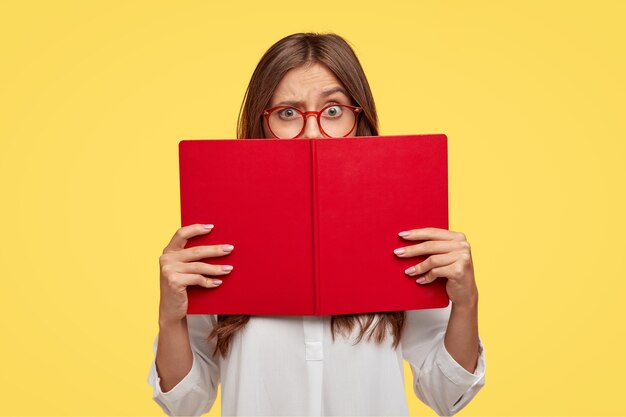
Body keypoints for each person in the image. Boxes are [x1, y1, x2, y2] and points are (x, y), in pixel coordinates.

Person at [148, 32, 486, 416]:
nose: (311, 132)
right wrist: (170, 316)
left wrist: (466, 302)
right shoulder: (217, 233)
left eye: (333, 111)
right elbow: (185, 403)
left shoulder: (402, 227)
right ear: (262, 123)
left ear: (360, 119)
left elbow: (447, 394)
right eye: (288, 113)